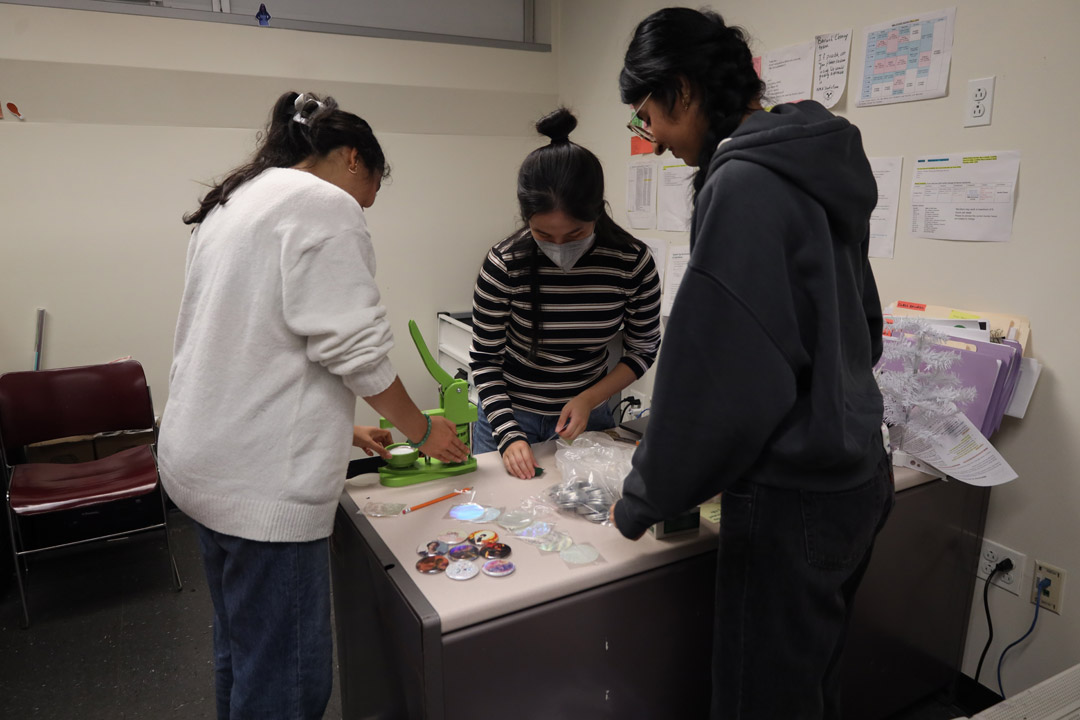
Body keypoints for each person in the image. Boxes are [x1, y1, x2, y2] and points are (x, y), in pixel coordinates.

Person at [609, 9, 894, 719]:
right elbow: (866, 327)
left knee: (760, 700)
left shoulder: (742, 185)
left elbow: (714, 378)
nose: (660, 142)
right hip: (858, 470)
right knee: (812, 681)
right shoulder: (815, 164)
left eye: (651, 119)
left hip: (791, 495)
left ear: (683, 90)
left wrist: (645, 495)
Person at [158, 91, 468, 720]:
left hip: (201, 463)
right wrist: (424, 430)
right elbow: (356, 348)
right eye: (370, 191)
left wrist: (344, 431)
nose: (364, 209)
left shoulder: (236, 201)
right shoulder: (322, 203)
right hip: (261, 492)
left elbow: (253, 347)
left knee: (243, 653)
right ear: (354, 158)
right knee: (289, 685)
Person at [469, 108, 662, 479]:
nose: (559, 248)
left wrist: (589, 399)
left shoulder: (631, 263)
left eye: (574, 235)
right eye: (544, 235)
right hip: (508, 418)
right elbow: (485, 360)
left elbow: (642, 349)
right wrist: (508, 435)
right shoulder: (504, 264)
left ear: (597, 212)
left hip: (588, 416)